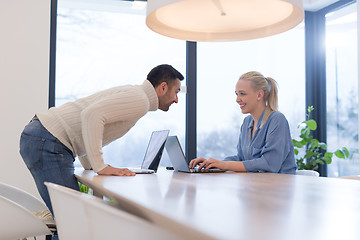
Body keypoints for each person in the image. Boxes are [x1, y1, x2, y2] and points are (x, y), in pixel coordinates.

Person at [19, 64, 184, 214]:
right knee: (73, 219)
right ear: (163, 87)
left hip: (43, 137)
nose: (176, 99)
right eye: (176, 92)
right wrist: (100, 166)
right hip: (48, 140)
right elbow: (91, 115)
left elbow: (86, 122)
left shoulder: (135, 94)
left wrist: (90, 165)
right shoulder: (140, 100)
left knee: (71, 219)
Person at [190, 71, 296, 174]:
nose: (237, 99)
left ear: (259, 95)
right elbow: (241, 159)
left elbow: (269, 164)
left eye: (242, 94)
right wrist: (213, 164)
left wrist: (224, 165)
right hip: (256, 186)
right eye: (237, 94)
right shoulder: (247, 122)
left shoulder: (277, 120)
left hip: (278, 188)